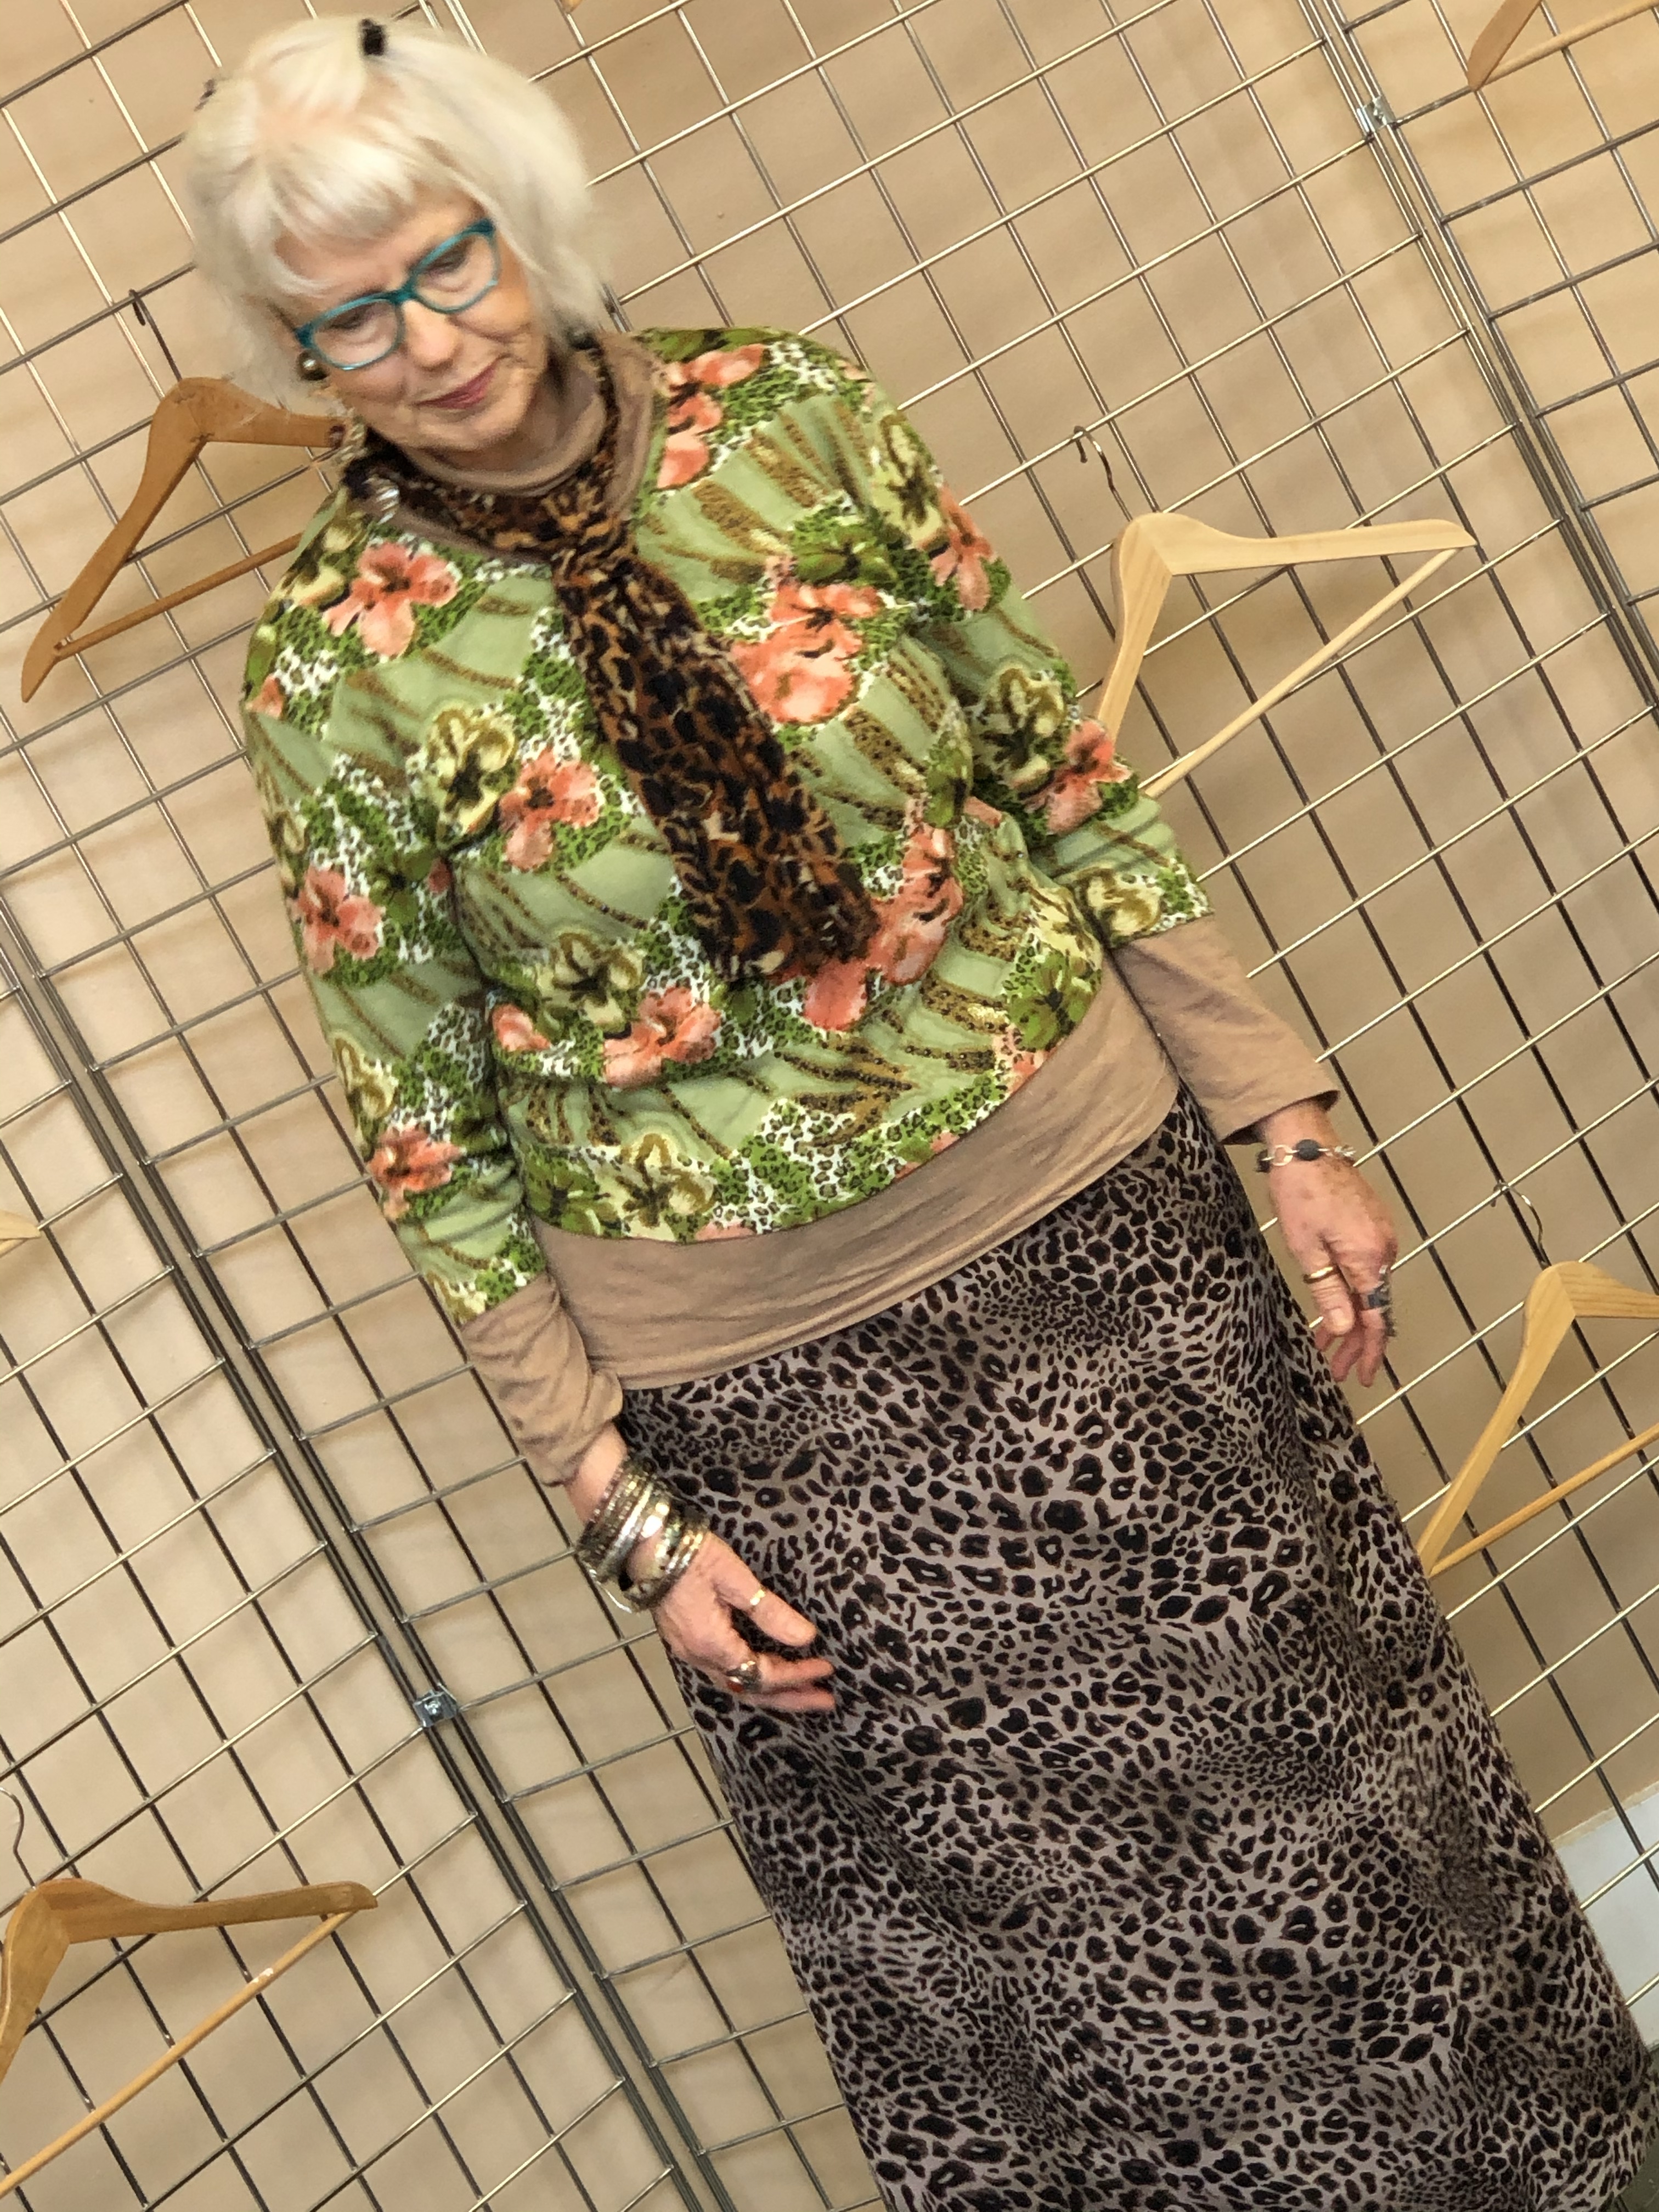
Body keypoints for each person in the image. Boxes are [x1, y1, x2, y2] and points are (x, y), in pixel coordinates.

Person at [185, 20, 1654, 2209]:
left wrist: (1285, 1119)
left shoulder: (787, 413)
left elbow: (1059, 773)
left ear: (524, 220)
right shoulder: (330, 665)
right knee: (1047, 1974)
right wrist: (621, 1514)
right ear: (295, 353)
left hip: (1113, 1241)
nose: (428, 343)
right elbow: (423, 1127)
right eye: (348, 323)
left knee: (1349, 1812)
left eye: (445, 264)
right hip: (776, 1408)